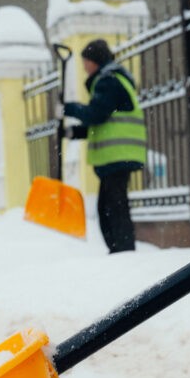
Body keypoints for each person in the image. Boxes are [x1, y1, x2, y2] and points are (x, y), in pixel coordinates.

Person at [61, 39, 147, 254]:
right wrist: (73, 132)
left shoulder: (108, 81)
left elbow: (96, 114)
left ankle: (124, 251)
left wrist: (68, 108)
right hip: (118, 156)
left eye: (86, 62)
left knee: (114, 207)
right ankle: (119, 250)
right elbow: (103, 121)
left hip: (119, 156)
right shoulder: (111, 80)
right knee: (108, 207)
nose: (84, 67)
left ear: (95, 61)